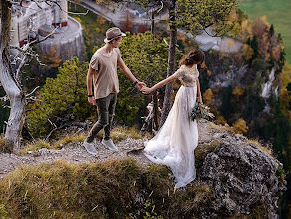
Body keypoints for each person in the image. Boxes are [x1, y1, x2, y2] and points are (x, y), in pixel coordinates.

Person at [141, 49, 204, 188]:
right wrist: (151, 89)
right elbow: (167, 80)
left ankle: (185, 142)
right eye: (199, 61)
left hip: (192, 96)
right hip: (184, 97)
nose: (199, 63)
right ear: (195, 59)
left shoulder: (194, 66)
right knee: (182, 122)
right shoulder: (182, 69)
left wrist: (199, 97)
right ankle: (181, 145)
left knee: (189, 121)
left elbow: (197, 79)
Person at [83, 27, 146, 156]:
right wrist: (90, 95)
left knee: (110, 116)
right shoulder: (97, 57)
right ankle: (88, 141)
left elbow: (124, 67)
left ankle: (107, 139)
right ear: (112, 41)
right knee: (103, 120)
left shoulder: (116, 51)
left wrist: (136, 82)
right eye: (120, 39)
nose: (121, 41)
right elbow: (89, 76)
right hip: (101, 93)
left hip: (113, 89)